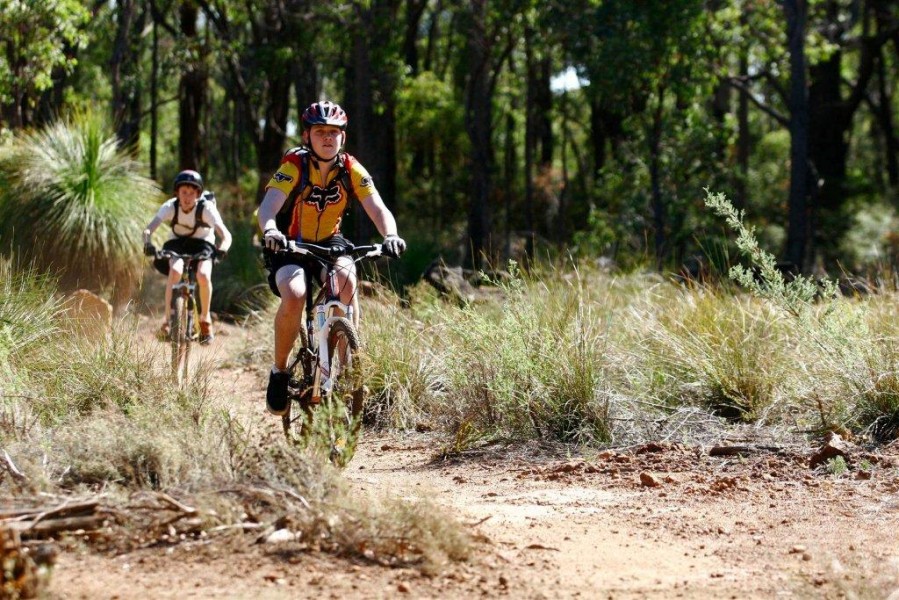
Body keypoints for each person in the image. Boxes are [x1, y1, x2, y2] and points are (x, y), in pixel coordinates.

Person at [257, 100, 406, 417]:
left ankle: (346, 364)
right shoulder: (294, 165)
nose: (328, 138)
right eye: (320, 131)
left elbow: (377, 206)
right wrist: (270, 229)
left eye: (335, 132)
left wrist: (390, 235)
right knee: (295, 295)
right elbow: (268, 207)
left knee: (348, 282)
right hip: (290, 242)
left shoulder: (351, 169)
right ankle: (280, 372)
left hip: (330, 240)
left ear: (343, 137)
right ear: (307, 136)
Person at [143, 169, 232, 345]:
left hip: (203, 243)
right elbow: (148, 229)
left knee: (203, 275)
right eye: (184, 192)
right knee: (175, 271)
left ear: (198, 194)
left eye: (192, 193)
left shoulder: (206, 209)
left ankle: (205, 320)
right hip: (177, 242)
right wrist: (148, 243)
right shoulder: (170, 206)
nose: (187, 197)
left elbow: (226, 234)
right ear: (177, 192)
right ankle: (168, 320)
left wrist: (222, 248)